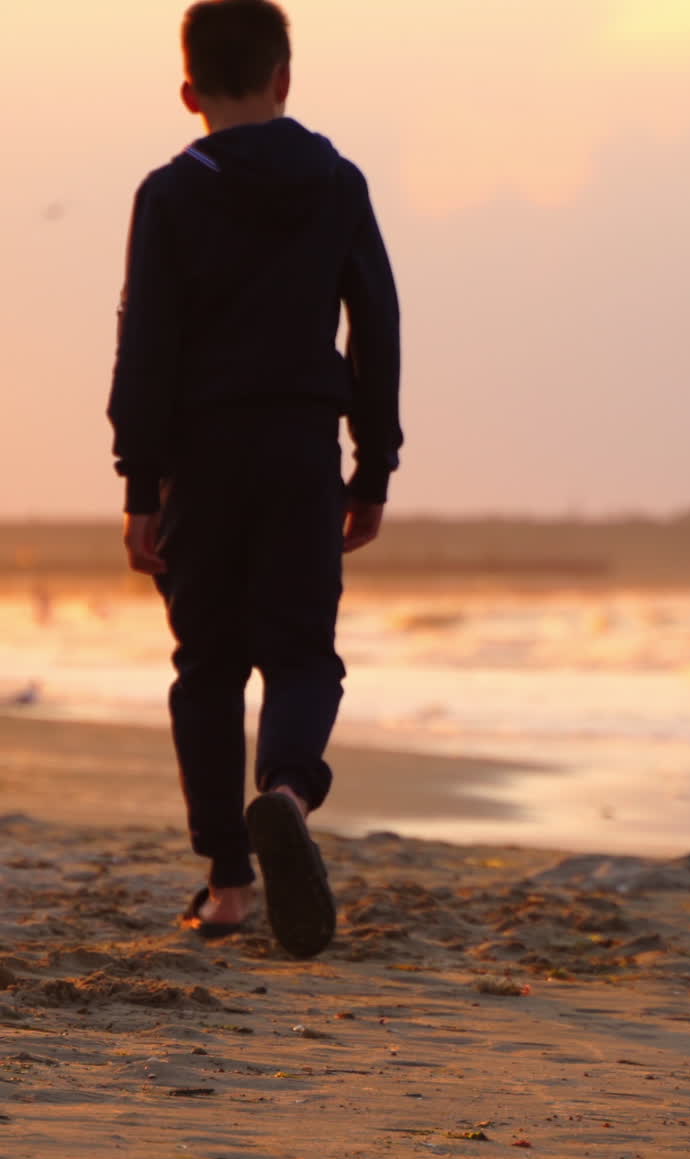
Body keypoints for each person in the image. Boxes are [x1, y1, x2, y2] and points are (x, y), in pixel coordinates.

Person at [108, 0, 402, 957]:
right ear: (285, 79)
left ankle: (230, 884)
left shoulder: (170, 193)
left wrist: (140, 486)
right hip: (301, 446)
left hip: (201, 454)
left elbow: (146, 345)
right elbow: (378, 326)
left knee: (208, 668)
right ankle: (285, 790)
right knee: (304, 654)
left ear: (190, 91)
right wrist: (374, 464)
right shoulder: (338, 182)